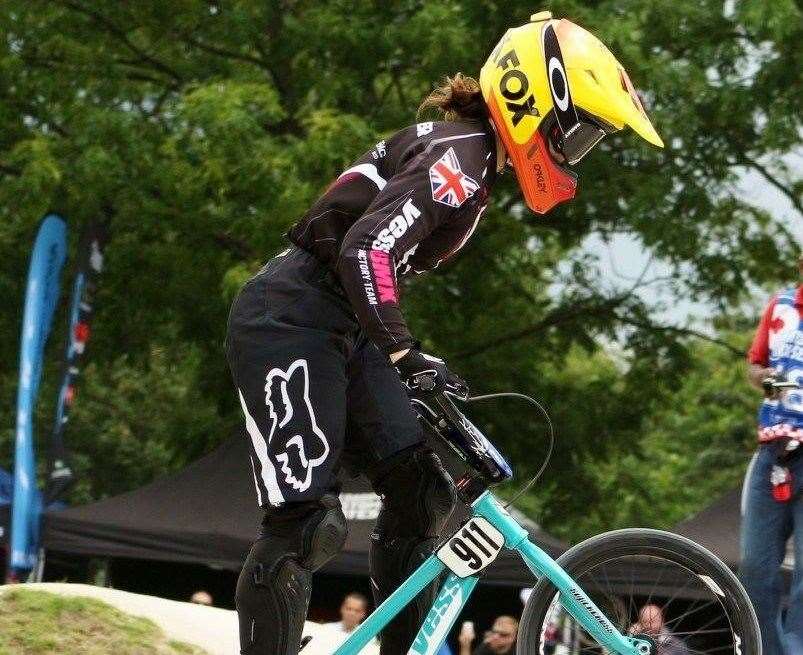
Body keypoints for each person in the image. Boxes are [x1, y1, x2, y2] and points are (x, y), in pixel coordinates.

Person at [225, 11, 663, 655]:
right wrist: (402, 351)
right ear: (536, 107)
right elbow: (365, 251)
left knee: (420, 491)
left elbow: (368, 262)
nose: (575, 155)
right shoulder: (461, 157)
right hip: (289, 319)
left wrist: (407, 353)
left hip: (341, 324)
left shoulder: (470, 158)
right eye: (576, 136)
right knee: (306, 526)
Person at [742, 251, 803, 655]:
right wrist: (778, 385)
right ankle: (767, 649)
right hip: (773, 453)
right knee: (755, 569)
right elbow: (754, 367)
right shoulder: (780, 305)